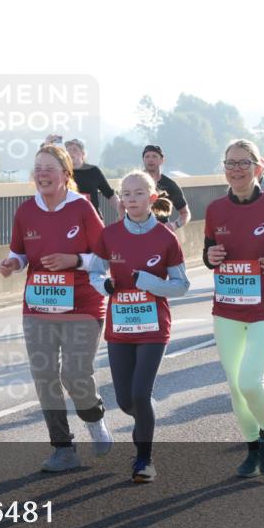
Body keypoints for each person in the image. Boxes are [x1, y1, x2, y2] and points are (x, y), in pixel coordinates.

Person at [0, 143, 113, 472]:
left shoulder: (83, 209)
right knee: (44, 376)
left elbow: (105, 257)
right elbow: (20, 253)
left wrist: (73, 260)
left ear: (66, 175)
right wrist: (12, 263)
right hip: (38, 304)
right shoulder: (25, 211)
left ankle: (94, 419)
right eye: (38, 168)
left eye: (50, 168)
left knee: (75, 374)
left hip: (83, 304)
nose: (42, 174)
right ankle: (63, 448)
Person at [204, 140, 264, 478]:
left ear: (259, 167)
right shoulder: (215, 209)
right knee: (234, 385)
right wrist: (209, 257)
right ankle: (251, 448)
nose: (236, 169)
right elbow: (208, 250)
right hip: (227, 308)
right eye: (230, 162)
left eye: (243, 163)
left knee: (249, 381)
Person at [89, 171, 190, 483]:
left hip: (153, 327)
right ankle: (145, 415)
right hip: (120, 327)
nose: (131, 199)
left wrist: (148, 281)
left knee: (140, 393)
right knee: (124, 400)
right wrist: (103, 285)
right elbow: (94, 272)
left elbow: (181, 285)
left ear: (152, 198)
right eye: (126, 194)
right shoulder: (109, 235)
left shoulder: (165, 237)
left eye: (138, 193)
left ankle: (144, 460)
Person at [65, 138, 121, 221]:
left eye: (75, 149)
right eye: (69, 150)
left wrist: (123, 213)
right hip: (70, 220)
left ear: (83, 154)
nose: (71, 152)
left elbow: (109, 194)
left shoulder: (93, 171)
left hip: (93, 219)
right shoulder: (62, 172)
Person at [141, 145, 191, 229]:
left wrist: (175, 225)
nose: (150, 159)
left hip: (161, 233)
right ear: (143, 160)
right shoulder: (134, 182)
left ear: (162, 160)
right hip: (137, 231)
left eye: (154, 156)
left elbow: (185, 213)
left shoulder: (169, 185)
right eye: (147, 157)